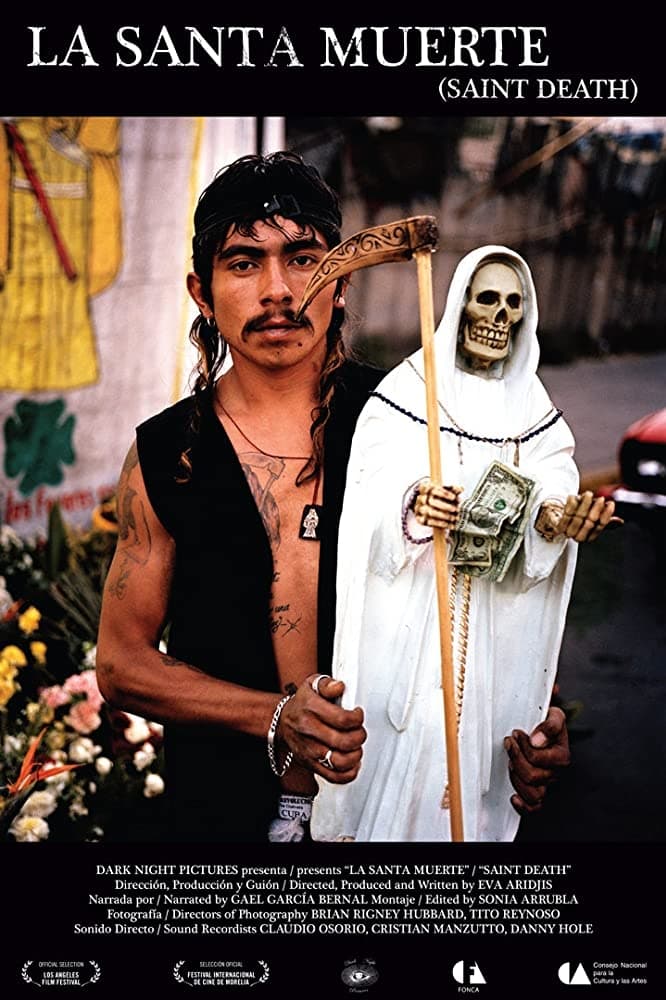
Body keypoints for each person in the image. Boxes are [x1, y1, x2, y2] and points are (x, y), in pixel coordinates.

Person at [96, 155, 570, 843]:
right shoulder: (168, 456)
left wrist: (528, 720)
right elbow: (121, 664)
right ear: (202, 292)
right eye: (243, 263)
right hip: (221, 820)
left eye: (303, 259)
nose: (279, 291)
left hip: (394, 815)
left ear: (342, 281)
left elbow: (493, 601)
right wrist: (272, 716)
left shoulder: (421, 427)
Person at [312, 245, 618, 843]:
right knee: (407, 756)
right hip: (413, 628)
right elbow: (370, 493)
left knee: (468, 780)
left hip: (487, 641)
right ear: (459, 306)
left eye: (513, 304)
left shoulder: (533, 411)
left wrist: (555, 519)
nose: (500, 317)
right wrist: (413, 504)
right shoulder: (409, 394)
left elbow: (551, 483)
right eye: (487, 299)